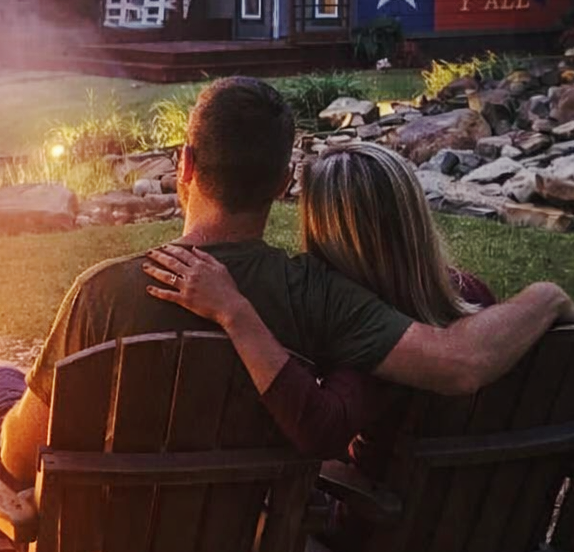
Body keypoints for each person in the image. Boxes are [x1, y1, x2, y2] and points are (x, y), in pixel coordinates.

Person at [0, 77, 574, 487]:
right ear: (285, 183)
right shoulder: (322, 294)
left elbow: (18, 459)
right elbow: (453, 358)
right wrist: (548, 293)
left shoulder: (100, 294)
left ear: (185, 165)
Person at [142, 143, 505, 466]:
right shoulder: (473, 296)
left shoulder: (372, 338)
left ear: (328, 232)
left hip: (386, 510)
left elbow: (320, 430)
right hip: (476, 506)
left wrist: (235, 313)